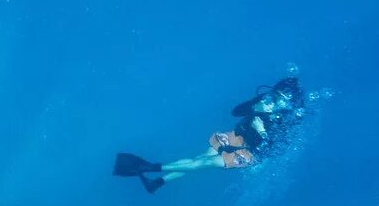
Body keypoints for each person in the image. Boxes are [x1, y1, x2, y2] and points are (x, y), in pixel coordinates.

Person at [113, 75, 306, 194]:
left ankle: (148, 167)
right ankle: (157, 183)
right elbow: (235, 112)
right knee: (199, 160)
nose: (275, 101)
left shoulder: (290, 119)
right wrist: (254, 106)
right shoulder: (264, 100)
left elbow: (277, 149)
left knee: (204, 163)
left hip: (253, 153)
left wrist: (262, 132)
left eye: (281, 99)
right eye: (275, 95)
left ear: (290, 103)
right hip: (239, 135)